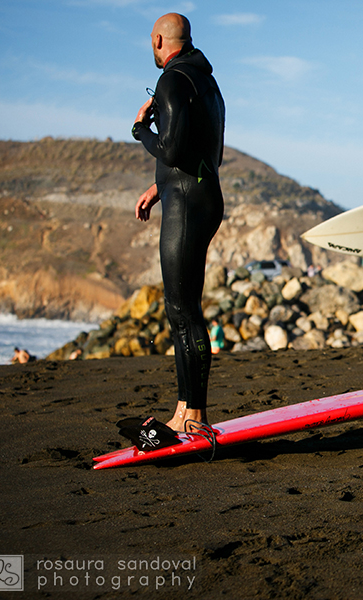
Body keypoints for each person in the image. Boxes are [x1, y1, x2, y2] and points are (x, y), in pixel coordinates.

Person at [131, 13, 225, 432]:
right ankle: (186, 407)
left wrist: (139, 130)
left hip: (186, 204)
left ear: (157, 40)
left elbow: (169, 149)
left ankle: (196, 414)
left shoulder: (172, 80)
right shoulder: (207, 82)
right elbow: (202, 148)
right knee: (185, 308)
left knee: (182, 309)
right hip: (201, 196)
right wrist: (159, 188)